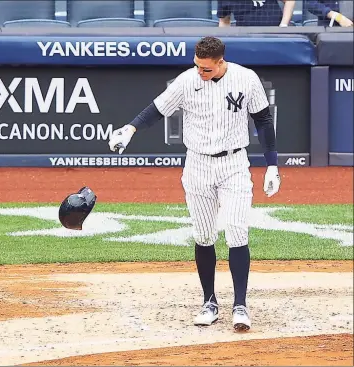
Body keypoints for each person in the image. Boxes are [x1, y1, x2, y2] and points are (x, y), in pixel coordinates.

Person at [107, 36, 281, 332]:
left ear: (221, 62)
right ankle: (209, 302)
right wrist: (130, 128)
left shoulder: (246, 78)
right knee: (203, 234)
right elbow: (156, 109)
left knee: (237, 231)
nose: (201, 72)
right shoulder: (187, 81)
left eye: (207, 69)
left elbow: (263, 120)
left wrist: (272, 164)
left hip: (234, 163)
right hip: (198, 164)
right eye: (198, 66)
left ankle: (240, 305)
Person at [217, 0, 295, 27]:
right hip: (245, 36)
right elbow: (224, 21)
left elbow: (289, 1)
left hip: (275, 34)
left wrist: (283, 25)